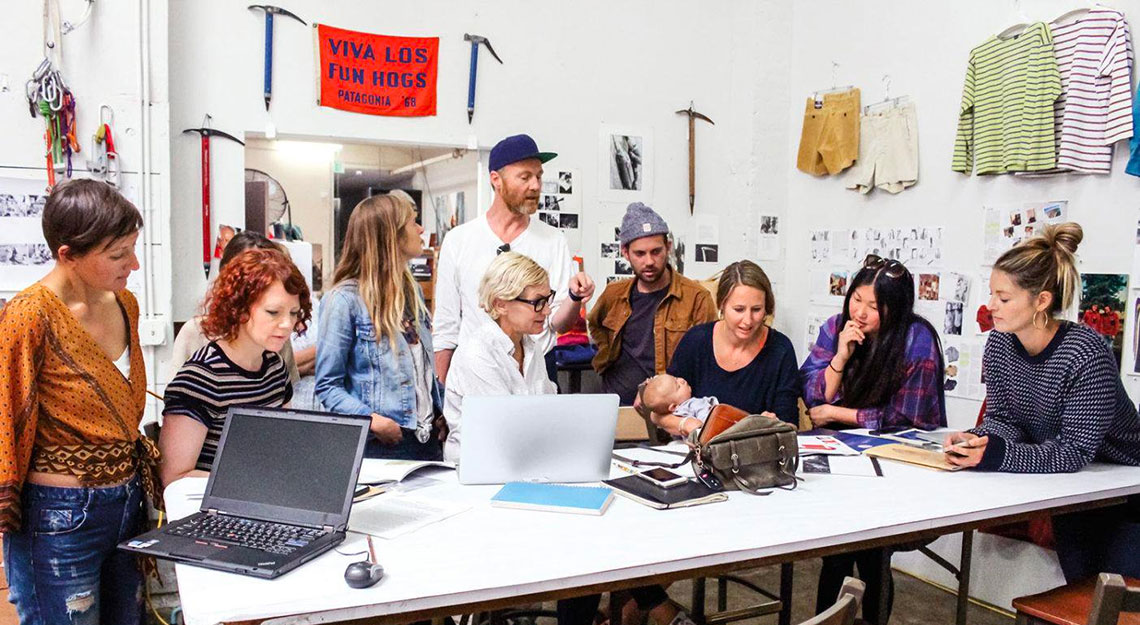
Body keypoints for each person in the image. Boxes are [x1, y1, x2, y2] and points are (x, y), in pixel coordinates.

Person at [0, 179, 158, 624]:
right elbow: (6, 417)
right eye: (118, 255)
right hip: (59, 516)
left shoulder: (125, 303)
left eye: (133, 249)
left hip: (127, 501)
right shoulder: (30, 315)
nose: (133, 264)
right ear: (68, 254)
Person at [945, 223, 1140, 582]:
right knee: (1080, 592)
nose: (991, 306)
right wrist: (978, 440)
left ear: (1042, 301)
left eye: (1004, 298)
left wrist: (995, 454)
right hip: (1074, 489)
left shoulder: (1085, 353)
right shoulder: (1000, 343)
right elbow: (1004, 419)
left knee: (1114, 601)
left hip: (1126, 491)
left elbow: (1073, 451)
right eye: (991, 295)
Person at [799, 253, 947, 623]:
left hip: (895, 459)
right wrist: (840, 357)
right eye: (857, 299)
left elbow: (905, 419)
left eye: (874, 306)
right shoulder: (837, 327)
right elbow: (813, 395)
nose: (861, 313)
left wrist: (839, 414)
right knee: (835, 553)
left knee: (873, 553)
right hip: (836, 457)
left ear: (896, 307)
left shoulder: (917, 340)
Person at [432, 134, 595, 385]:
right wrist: (442, 393)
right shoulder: (459, 240)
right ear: (496, 180)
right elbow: (446, 325)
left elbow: (558, 323)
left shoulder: (553, 240)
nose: (535, 186)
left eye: (538, 176)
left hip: (537, 368)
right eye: (525, 177)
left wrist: (575, 298)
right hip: (477, 370)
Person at [159, 248, 310, 485]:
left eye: (293, 313)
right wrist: (254, 481)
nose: (287, 324)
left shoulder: (275, 368)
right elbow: (174, 477)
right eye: (273, 312)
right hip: (213, 502)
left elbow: (283, 444)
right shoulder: (200, 380)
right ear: (239, 309)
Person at [316, 194, 445, 460]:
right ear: (391, 236)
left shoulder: (411, 293)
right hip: (381, 445)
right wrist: (372, 420)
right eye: (413, 222)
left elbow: (421, 369)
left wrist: (441, 407)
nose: (421, 229)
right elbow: (328, 385)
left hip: (428, 439)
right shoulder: (343, 301)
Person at [588, 202, 717, 405]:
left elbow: (706, 360)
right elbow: (595, 325)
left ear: (668, 247)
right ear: (625, 252)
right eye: (640, 253)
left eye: (656, 252)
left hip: (669, 408)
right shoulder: (613, 294)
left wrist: (655, 389)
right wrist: (605, 358)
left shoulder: (696, 298)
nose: (649, 261)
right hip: (615, 402)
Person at [442, 251, 562, 462]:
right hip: (480, 467)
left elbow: (549, 413)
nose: (547, 311)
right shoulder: (477, 353)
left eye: (547, 300)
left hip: (523, 461)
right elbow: (505, 429)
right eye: (538, 302)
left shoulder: (531, 348)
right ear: (501, 304)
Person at [658, 260, 800, 434]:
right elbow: (658, 414)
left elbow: (790, 424)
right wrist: (688, 425)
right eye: (739, 309)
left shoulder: (780, 349)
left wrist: (771, 426)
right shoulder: (696, 340)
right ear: (722, 305)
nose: (748, 320)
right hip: (696, 447)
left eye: (756, 309)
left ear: (767, 308)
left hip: (752, 448)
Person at [168, 230, 301, 384]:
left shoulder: (276, 333)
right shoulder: (196, 332)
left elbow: (288, 390)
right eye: (247, 273)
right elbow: (178, 392)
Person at [639, 373, 718, 436]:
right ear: (673, 406)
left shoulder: (674, 413)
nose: (682, 380)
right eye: (678, 386)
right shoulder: (694, 404)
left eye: (676, 378)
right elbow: (708, 424)